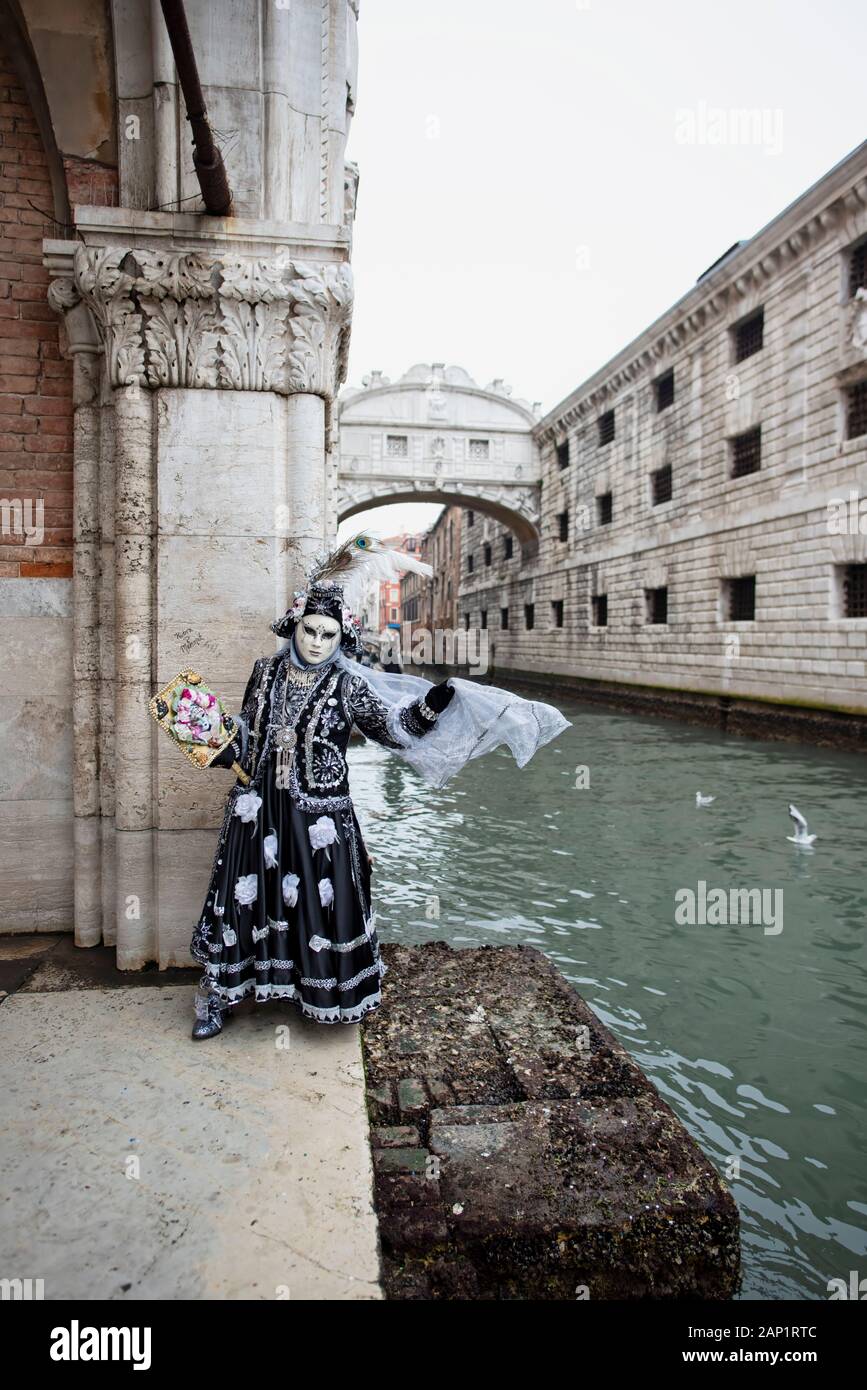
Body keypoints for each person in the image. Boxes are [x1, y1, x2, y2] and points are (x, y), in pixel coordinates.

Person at [188, 533, 569, 1040]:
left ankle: (317, 994)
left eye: (327, 635)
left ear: (340, 638)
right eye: (309, 631)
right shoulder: (265, 672)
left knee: (317, 905)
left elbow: (395, 730)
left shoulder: (348, 685)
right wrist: (204, 729)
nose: (317, 643)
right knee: (246, 899)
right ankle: (220, 995)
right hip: (259, 809)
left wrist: (437, 701)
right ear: (294, 628)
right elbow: (246, 731)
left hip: (318, 816)